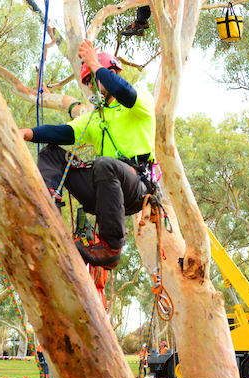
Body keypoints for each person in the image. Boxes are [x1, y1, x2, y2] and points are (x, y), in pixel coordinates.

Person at [19, 39, 156, 270]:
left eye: (94, 80)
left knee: (104, 164)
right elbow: (63, 132)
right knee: (51, 152)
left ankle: (111, 247)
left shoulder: (139, 102)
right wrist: (26, 133)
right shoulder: (96, 117)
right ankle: (49, 205)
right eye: (88, 83)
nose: (92, 87)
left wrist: (93, 63)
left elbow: (123, 91)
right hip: (103, 190)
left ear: (111, 73)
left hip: (135, 187)